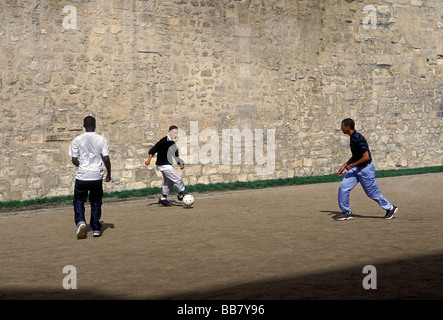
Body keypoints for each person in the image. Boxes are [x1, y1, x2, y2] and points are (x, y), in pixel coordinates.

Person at [336, 118, 398, 220]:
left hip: (365, 170)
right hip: (356, 169)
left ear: (347, 127)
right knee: (343, 188)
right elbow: (356, 156)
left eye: (342, 126)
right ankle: (347, 212)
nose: (341, 128)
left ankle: (390, 208)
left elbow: (366, 157)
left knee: (372, 193)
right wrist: (344, 166)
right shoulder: (352, 138)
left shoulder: (358, 138)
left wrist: (351, 166)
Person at [69, 116, 111, 239]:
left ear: (84, 125)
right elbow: (106, 158)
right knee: (96, 201)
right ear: (95, 125)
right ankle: (96, 227)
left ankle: (81, 221)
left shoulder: (77, 140)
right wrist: (109, 173)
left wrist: (82, 166)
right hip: (96, 175)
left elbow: (74, 159)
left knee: (79, 200)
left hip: (82, 175)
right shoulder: (102, 139)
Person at [145, 125, 185, 206]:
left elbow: (175, 155)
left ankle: (163, 198)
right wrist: (148, 160)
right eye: (174, 133)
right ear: (169, 132)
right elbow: (153, 150)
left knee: (168, 182)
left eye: (176, 133)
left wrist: (180, 163)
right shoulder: (163, 141)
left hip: (168, 165)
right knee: (178, 178)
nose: (175, 135)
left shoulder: (173, 143)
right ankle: (180, 195)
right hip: (163, 165)